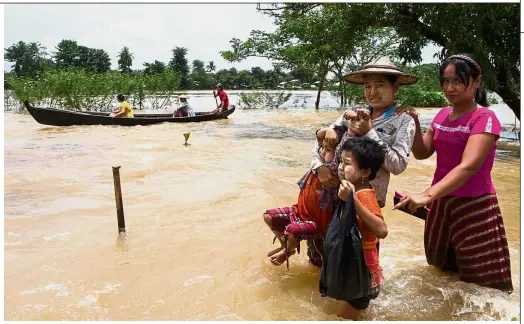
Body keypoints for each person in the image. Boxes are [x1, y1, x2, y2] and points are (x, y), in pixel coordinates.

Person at [393, 53, 513, 292]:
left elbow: (468, 166)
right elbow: (422, 152)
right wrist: (415, 123)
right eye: (445, 82)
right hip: (442, 203)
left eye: (458, 81)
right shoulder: (441, 115)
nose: (450, 88)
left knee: (483, 284)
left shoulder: (485, 118)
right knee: (441, 274)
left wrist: (426, 196)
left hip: (474, 206)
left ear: (477, 82)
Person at [306, 57, 419, 266]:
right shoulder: (352, 114)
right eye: (368, 86)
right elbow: (322, 141)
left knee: (361, 263)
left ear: (395, 87)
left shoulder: (404, 120)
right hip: (331, 198)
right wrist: (319, 167)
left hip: (365, 204)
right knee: (320, 258)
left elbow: (398, 165)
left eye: (380, 85)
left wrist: (370, 133)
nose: (372, 91)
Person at [262, 127, 345, 268]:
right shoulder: (317, 165)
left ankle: (288, 251)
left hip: (317, 224)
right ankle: (285, 245)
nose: (323, 151)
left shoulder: (334, 173)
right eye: (322, 147)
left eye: (329, 150)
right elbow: (319, 136)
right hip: (299, 212)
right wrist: (329, 130)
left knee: (296, 236)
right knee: (269, 216)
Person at [333, 137, 387, 320]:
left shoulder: (363, 195)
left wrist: (352, 200)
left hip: (360, 270)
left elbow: (382, 230)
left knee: (343, 318)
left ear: (365, 171)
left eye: (347, 163)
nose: (340, 166)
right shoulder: (355, 188)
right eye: (340, 160)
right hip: (356, 266)